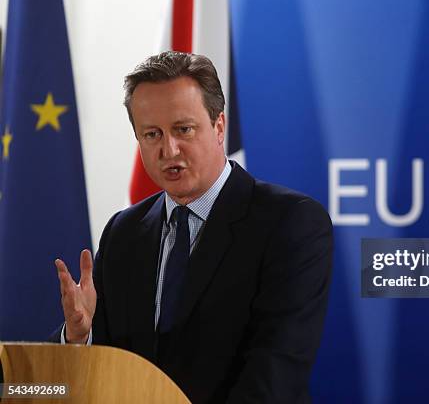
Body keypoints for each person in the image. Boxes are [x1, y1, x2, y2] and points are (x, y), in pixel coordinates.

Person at [52, 51, 334, 403]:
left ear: (219, 126)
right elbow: (102, 372)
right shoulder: (124, 233)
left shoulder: (289, 222)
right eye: (151, 134)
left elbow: (274, 376)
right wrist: (80, 337)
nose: (169, 150)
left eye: (183, 129)